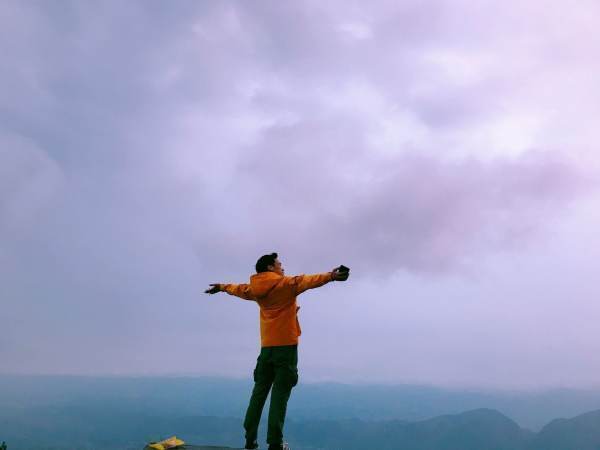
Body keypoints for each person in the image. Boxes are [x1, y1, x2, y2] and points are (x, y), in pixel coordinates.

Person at [205, 253, 349, 450]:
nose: (283, 268)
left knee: (258, 393)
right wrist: (332, 275)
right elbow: (308, 280)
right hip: (286, 349)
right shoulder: (286, 285)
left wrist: (221, 287)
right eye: (280, 265)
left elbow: (238, 289)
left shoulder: (255, 289)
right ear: (271, 268)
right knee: (279, 396)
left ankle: (250, 438)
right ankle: (275, 443)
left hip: (266, 350)